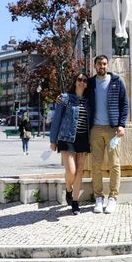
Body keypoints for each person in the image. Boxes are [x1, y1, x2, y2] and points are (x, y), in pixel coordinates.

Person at [87, 54, 129, 214]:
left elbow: (124, 104)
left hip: (113, 129)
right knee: (96, 164)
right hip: (95, 128)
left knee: (114, 164)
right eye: (99, 64)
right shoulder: (90, 83)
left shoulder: (117, 81)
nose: (102, 67)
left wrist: (122, 125)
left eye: (104, 64)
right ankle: (99, 198)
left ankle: (113, 198)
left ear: (107, 65)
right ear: (95, 66)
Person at [50, 72, 91, 215]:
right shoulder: (65, 98)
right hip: (66, 137)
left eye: (85, 80)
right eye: (79, 79)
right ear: (75, 82)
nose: (82, 82)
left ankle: (75, 202)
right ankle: (68, 189)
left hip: (83, 138)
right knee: (71, 171)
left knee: (80, 171)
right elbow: (57, 119)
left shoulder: (89, 101)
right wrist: (53, 140)